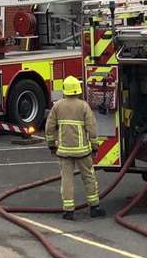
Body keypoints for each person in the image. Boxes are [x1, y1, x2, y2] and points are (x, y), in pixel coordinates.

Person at [45, 76, 104, 221]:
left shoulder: (57, 106)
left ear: (65, 90)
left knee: (67, 180)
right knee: (89, 177)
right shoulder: (83, 106)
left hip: (64, 151)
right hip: (83, 151)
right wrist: (95, 147)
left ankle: (68, 211)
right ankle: (94, 207)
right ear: (78, 89)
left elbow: (49, 128)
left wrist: (52, 145)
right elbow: (92, 128)